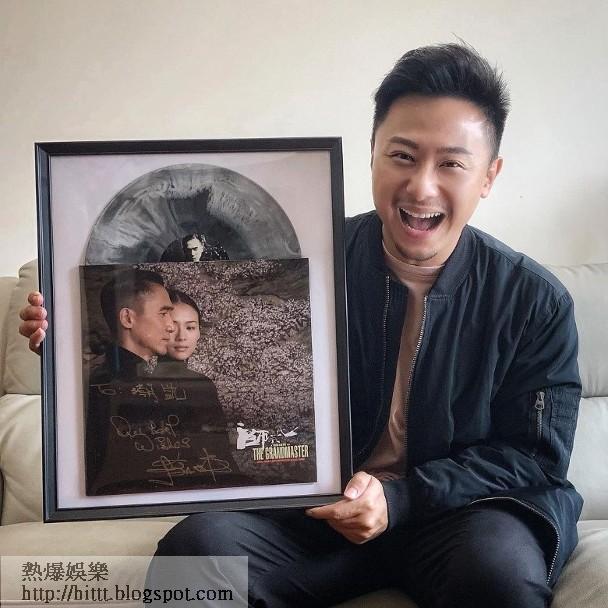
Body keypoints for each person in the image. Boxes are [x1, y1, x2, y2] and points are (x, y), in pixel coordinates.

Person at [20, 43, 581, 607]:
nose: (421, 187)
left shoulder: (534, 300)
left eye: (451, 164)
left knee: (497, 574)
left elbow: (533, 455)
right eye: (403, 156)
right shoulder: (302, 261)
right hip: (314, 515)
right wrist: (78, 349)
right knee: (196, 557)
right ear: (372, 154)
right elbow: (171, 366)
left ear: (489, 176)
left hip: (457, 519)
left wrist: (402, 498)